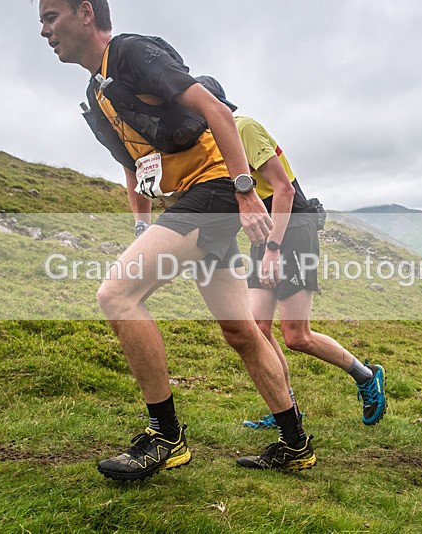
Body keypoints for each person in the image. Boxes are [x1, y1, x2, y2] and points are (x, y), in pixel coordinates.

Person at [37, 0, 315, 480]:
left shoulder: (130, 53)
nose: (44, 31)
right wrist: (143, 227)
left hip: (215, 190)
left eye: (50, 17)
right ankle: (295, 444)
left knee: (117, 295)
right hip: (191, 198)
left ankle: (166, 437)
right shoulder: (98, 88)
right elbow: (133, 164)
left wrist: (246, 192)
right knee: (242, 330)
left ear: (85, 13)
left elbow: (216, 112)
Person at [190, 88, 386, 428]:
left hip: (292, 231)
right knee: (257, 329)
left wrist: (273, 250)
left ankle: (366, 376)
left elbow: (285, 189)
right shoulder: (215, 147)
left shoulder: (243, 128)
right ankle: (287, 409)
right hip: (267, 233)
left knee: (296, 335)